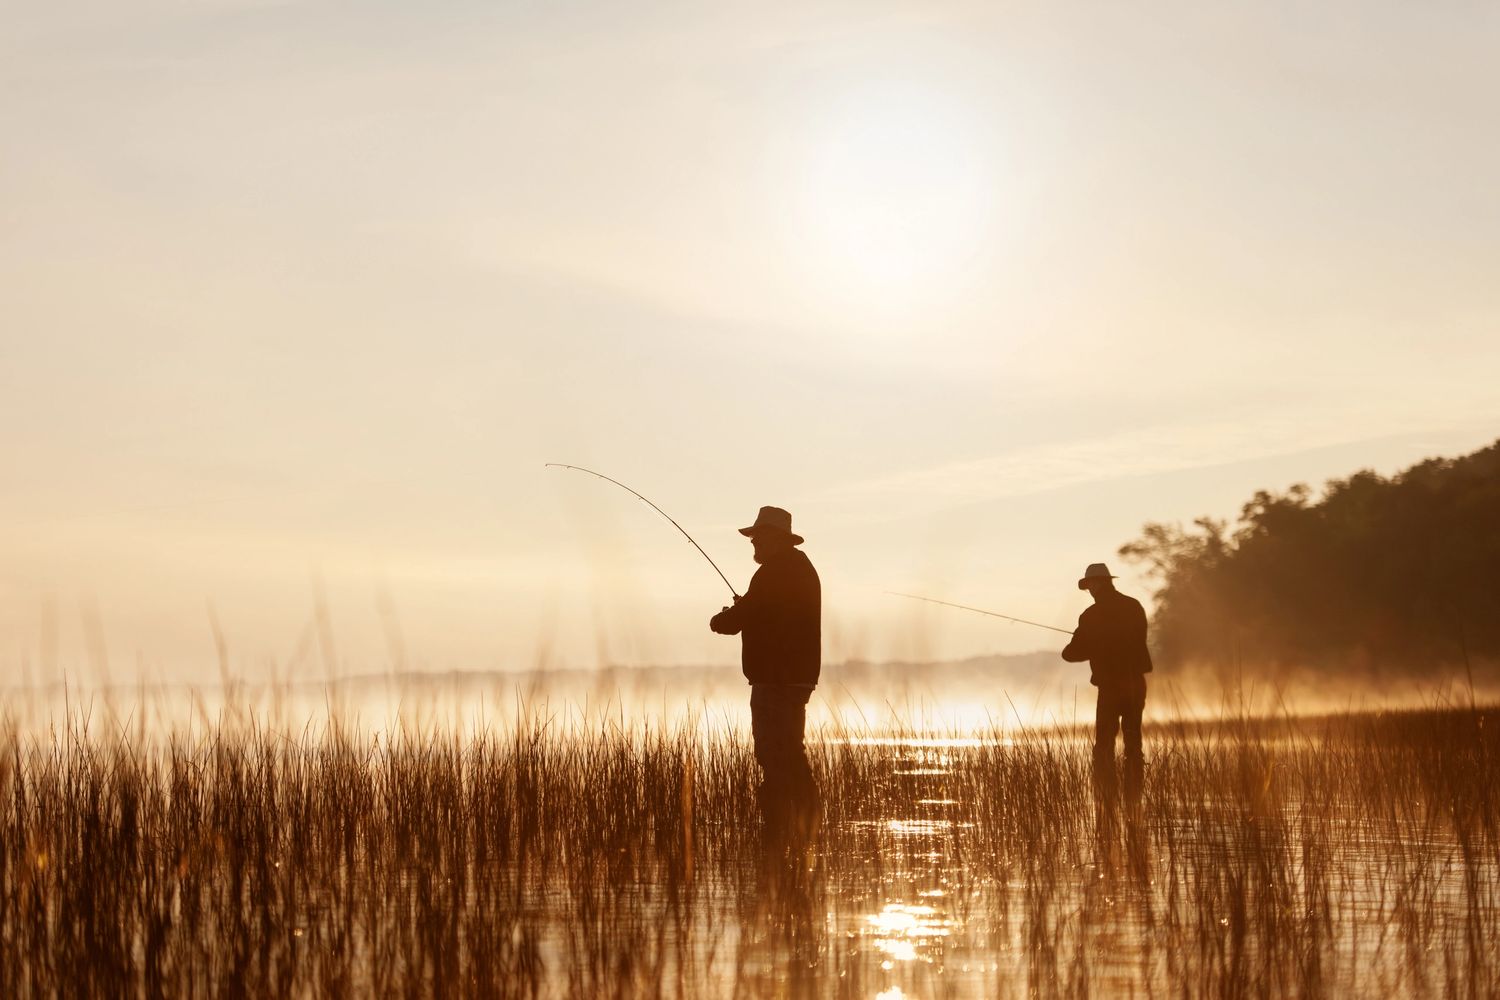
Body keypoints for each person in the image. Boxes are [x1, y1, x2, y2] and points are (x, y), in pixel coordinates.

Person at [709, 506, 821, 838]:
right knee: (788, 752)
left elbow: (733, 622)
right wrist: (749, 605)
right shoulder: (798, 568)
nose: (754, 545)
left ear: (774, 538)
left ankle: (783, 831)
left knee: (774, 753)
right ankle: (798, 829)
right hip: (794, 677)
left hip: (776, 679)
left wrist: (725, 615)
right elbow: (767, 612)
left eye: (757, 538)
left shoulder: (775, 571)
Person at [1061, 563, 1153, 811]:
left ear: (1099, 583)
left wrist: (1087, 645)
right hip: (1135, 682)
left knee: (1104, 743)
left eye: (1090, 585)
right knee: (1133, 739)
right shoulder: (1133, 606)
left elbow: (1071, 654)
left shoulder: (1091, 616)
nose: (1089, 590)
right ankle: (1134, 799)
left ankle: (1104, 798)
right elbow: (1138, 639)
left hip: (1110, 686)